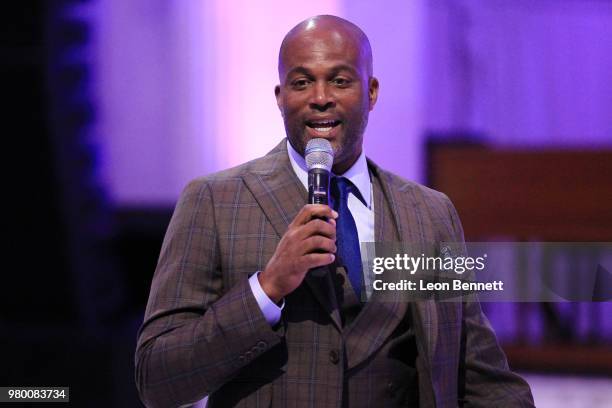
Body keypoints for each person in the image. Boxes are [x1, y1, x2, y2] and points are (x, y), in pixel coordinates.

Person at [135, 15, 534, 408]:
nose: (320, 96)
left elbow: (476, 371)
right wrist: (267, 288)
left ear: (372, 91)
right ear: (280, 96)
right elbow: (158, 379)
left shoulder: (428, 213)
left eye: (340, 80)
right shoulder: (215, 202)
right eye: (301, 82)